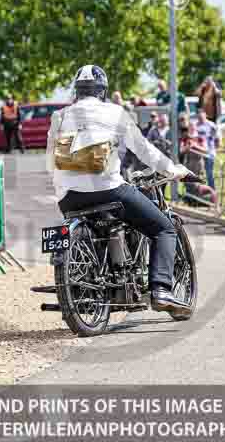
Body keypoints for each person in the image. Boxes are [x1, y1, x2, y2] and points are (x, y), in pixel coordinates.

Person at [46, 65, 193, 316]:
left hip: (68, 198)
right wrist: (173, 169)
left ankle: (92, 285)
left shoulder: (59, 116)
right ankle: (161, 290)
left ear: (77, 91)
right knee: (164, 228)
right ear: (103, 91)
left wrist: (64, 187)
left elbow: (50, 161)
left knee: (96, 221)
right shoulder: (115, 112)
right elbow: (144, 150)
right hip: (107, 189)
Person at [179, 125, 219, 209]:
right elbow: (181, 151)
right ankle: (194, 201)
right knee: (191, 186)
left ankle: (211, 205)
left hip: (198, 165)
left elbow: (206, 150)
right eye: (189, 129)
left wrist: (195, 146)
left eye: (192, 128)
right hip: (189, 165)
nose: (190, 131)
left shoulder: (200, 138)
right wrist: (188, 147)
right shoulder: (185, 139)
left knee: (201, 186)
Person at [193, 109, 219, 189]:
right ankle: (199, 190)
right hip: (197, 153)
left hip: (209, 153)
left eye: (202, 116)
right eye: (199, 116)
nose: (200, 118)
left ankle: (212, 189)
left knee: (209, 172)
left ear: (205, 115)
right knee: (198, 173)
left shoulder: (211, 125)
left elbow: (217, 139)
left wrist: (214, 149)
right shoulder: (195, 125)